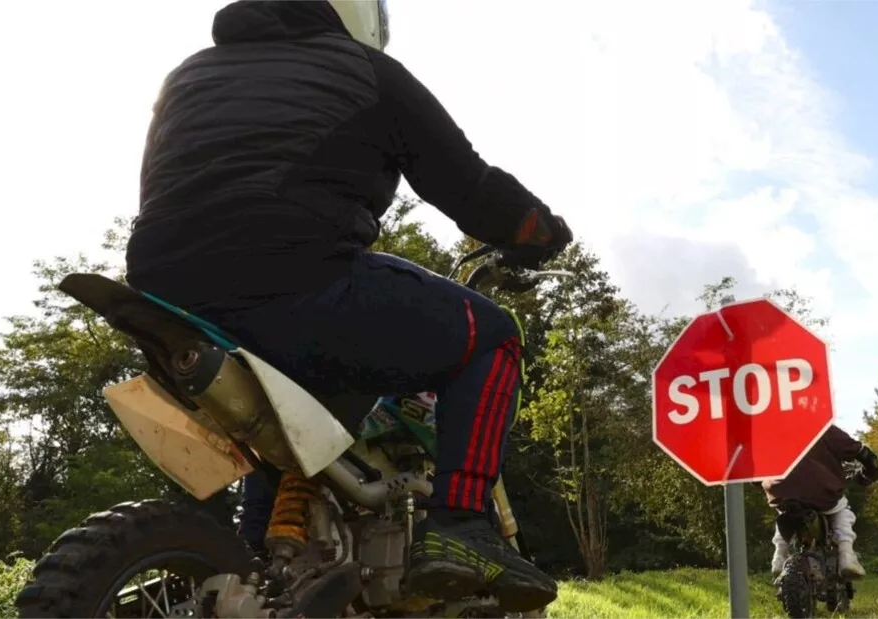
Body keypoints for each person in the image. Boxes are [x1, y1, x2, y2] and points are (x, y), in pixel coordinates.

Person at [123, 0, 571, 612]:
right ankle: (462, 528)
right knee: (492, 336)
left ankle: (254, 558)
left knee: (289, 437)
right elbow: (468, 188)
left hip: (163, 299)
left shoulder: (187, 74)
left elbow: (166, 186)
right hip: (297, 279)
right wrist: (538, 231)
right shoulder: (366, 70)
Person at [761, 425, 878, 579]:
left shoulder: (770, 430)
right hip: (820, 490)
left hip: (780, 491)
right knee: (842, 508)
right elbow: (861, 453)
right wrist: (872, 472)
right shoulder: (821, 426)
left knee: (785, 512)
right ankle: (847, 554)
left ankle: (779, 554)